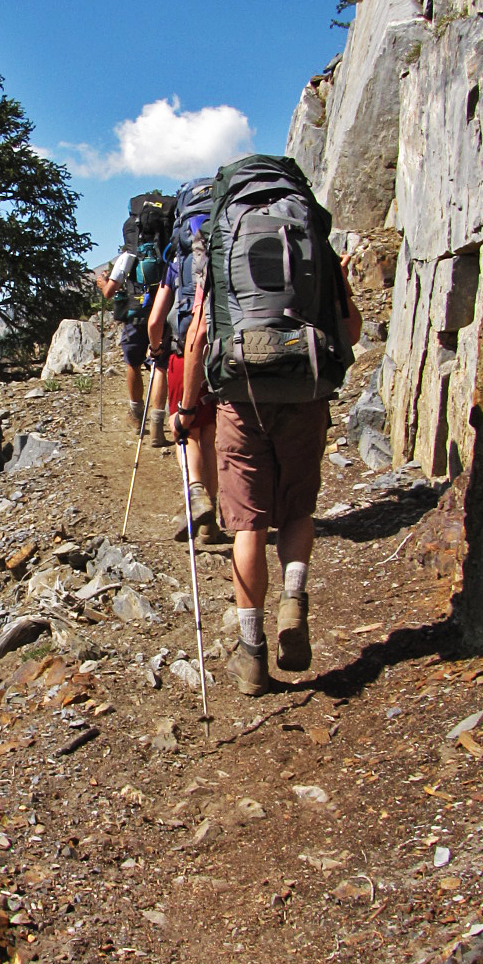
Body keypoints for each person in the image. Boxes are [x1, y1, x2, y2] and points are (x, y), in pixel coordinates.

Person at [178, 239, 361, 694]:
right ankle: (293, 600)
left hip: (241, 400)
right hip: (304, 393)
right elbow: (351, 331)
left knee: (249, 525)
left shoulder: (222, 253)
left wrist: (185, 407)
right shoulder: (310, 248)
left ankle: (252, 652)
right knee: (297, 511)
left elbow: (199, 336)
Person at [146, 215, 221, 543]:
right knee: (209, 435)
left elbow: (154, 321)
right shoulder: (223, 252)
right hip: (219, 353)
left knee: (185, 429)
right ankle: (211, 522)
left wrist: (156, 348)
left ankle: (195, 492)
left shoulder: (177, 262)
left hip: (183, 353)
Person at [93, 245, 151, 431]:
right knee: (161, 364)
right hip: (163, 312)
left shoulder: (129, 256)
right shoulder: (167, 248)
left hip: (136, 316)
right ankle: (159, 416)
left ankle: (137, 414)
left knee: (134, 363)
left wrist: (102, 282)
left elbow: (110, 291)